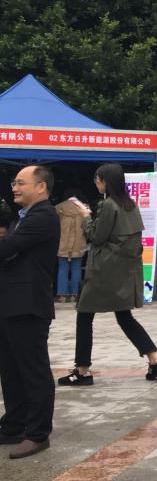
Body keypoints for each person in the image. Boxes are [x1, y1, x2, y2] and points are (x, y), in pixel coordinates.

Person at [57, 164, 157, 387]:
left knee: (84, 315)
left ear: (104, 181)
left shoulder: (108, 204)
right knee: (124, 315)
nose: (96, 183)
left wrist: (86, 216)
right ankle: (155, 359)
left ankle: (82, 371)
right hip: (124, 270)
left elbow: (97, 236)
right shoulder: (130, 204)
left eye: (97, 179)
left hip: (104, 271)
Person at [0, 165, 60, 459]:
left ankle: (37, 433)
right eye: (14, 182)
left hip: (29, 304)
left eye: (21, 182)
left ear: (41, 187)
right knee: (10, 368)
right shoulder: (23, 216)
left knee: (33, 369)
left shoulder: (43, 216)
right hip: (11, 302)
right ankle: (14, 425)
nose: (15, 187)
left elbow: (8, 248)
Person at [55, 189, 87, 303]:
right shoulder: (84, 208)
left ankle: (62, 296)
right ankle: (75, 295)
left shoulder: (59, 208)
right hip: (79, 244)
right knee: (76, 268)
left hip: (62, 243)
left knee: (62, 268)